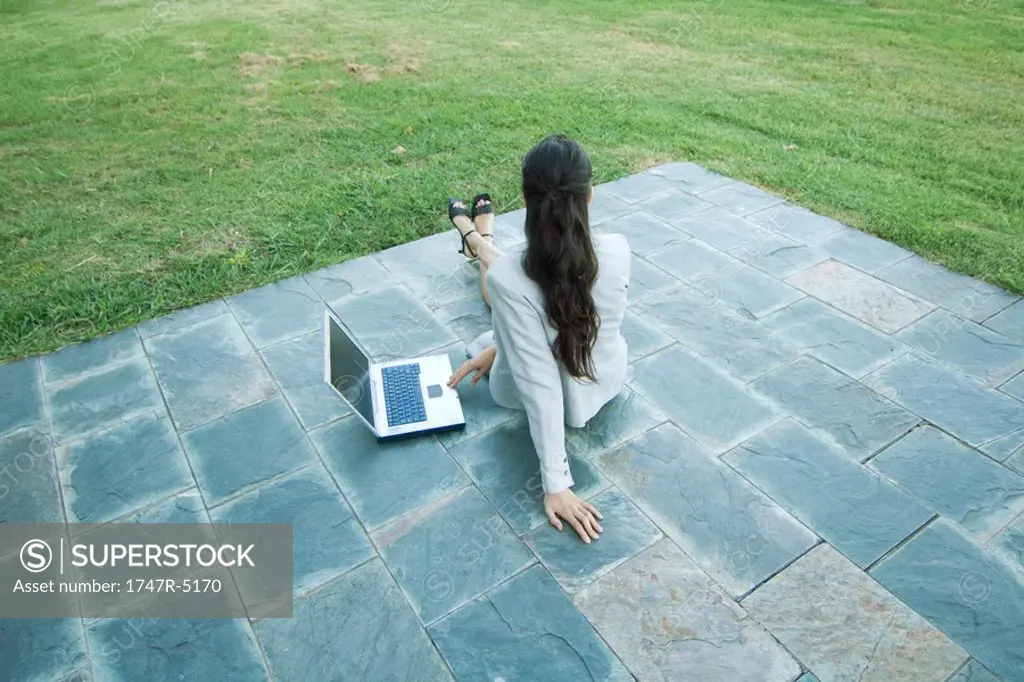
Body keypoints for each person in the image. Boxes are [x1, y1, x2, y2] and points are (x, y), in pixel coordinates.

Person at [445, 134, 630, 544]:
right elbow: (568, 323)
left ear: (528, 201)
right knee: (506, 282)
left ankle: (477, 241)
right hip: (602, 385)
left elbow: (541, 384)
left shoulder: (511, 279)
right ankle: (480, 240)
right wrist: (503, 345)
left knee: (501, 278)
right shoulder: (618, 249)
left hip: (539, 369)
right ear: (591, 195)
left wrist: (557, 484)